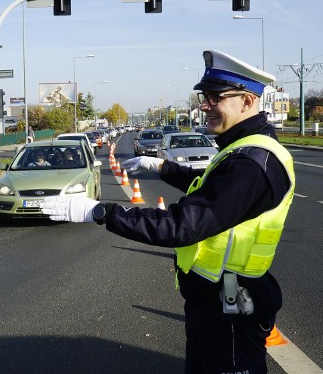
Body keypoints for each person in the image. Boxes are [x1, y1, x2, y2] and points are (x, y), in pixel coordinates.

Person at [40, 49, 296, 374]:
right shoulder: (241, 149)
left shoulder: (251, 163)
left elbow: (183, 225)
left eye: (215, 97)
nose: (204, 105)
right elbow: (210, 186)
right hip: (217, 295)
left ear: (246, 101)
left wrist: (101, 212)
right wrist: (162, 167)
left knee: (232, 361)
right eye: (204, 96)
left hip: (231, 297)